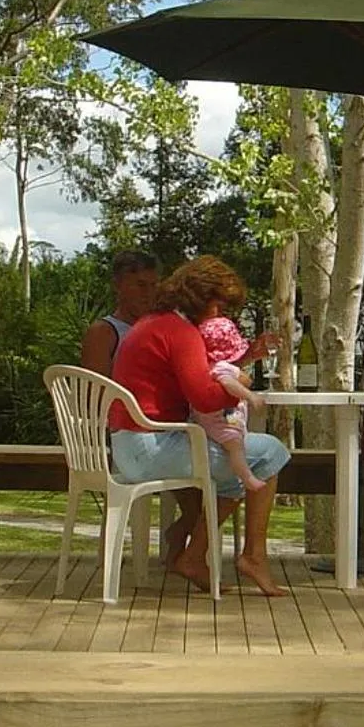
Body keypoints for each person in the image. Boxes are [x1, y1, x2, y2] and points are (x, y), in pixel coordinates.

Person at [109, 255, 290, 596]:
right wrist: (242, 384)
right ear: (202, 298)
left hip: (129, 446)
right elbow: (206, 397)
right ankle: (252, 555)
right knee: (271, 452)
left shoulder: (155, 323)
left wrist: (245, 358)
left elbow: (201, 372)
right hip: (152, 449)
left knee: (243, 466)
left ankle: (193, 552)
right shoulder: (180, 332)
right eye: (219, 306)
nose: (220, 316)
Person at [191, 315, 268, 494]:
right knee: (236, 446)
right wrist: (250, 396)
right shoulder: (223, 367)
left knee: (235, 440)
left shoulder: (206, 366)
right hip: (222, 419)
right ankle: (246, 477)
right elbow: (229, 383)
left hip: (209, 418)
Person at [79, 250, 160, 377]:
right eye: (141, 285)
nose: (148, 292)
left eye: (153, 285)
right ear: (118, 285)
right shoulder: (104, 333)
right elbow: (94, 392)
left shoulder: (161, 330)